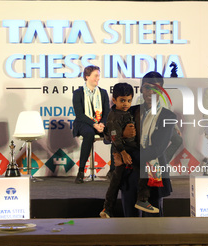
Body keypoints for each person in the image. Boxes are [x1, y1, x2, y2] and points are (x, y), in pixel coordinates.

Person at [117, 71, 175, 217]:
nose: (151, 92)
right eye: (147, 87)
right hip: (129, 176)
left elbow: (156, 149)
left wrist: (126, 156)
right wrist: (121, 135)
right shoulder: (129, 111)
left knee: (155, 227)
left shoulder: (168, 116)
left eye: (156, 88)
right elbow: (108, 136)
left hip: (154, 175)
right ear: (141, 89)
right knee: (129, 223)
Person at [99, 83, 159, 218]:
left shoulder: (163, 114)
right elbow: (110, 136)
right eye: (122, 100)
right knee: (141, 166)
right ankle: (142, 200)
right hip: (127, 152)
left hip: (132, 154)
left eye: (128, 100)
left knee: (116, 180)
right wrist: (122, 150)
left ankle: (107, 209)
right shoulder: (121, 113)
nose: (126, 103)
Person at [72, 65, 110, 184]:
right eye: (96, 76)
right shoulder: (78, 93)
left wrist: (102, 124)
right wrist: (94, 124)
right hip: (83, 123)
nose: (98, 78)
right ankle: (81, 171)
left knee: (115, 133)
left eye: (98, 75)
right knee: (88, 134)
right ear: (87, 77)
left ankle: (113, 171)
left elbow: (107, 112)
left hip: (100, 124)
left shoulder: (103, 93)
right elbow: (80, 114)